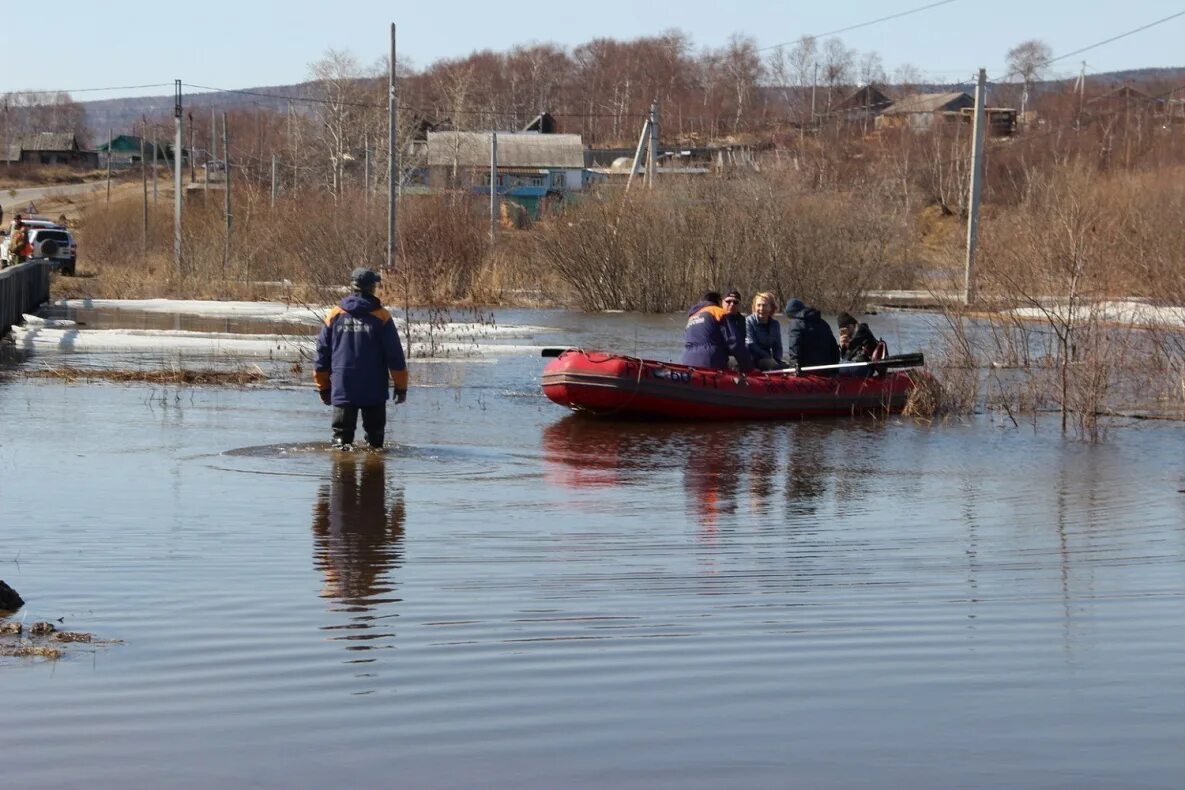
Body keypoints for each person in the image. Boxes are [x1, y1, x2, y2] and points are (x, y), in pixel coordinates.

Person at [314, 267, 408, 450]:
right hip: (374, 388)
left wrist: (323, 386)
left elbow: (322, 353)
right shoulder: (382, 316)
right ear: (373, 287)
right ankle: (374, 473)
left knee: (340, 442)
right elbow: (395, 355)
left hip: (343, 385)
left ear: (352, 287)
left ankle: (342, 474)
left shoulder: (335, 314)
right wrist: (401, 387)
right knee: (375, 443)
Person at [784, 298, 840, 371]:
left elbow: (795, 348)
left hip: (808, 369)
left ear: (791, 314)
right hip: (827, 369)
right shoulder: (823, 322)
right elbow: (834, 349)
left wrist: (793, 368)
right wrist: (835, 369)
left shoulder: (795, 324)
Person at [745, 292, 786, 370]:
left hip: (767, 358)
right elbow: (750, 345)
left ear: (771, 307)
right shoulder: (748, 321)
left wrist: (777, 359)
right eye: (758, 305)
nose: (761, 309)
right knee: (773, 365)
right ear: (754, 307)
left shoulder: (775, 324)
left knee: (786, 366)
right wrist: (769, 357)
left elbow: (778, 347)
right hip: (752, 358)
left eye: (764, 305)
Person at [720, 289, 754, 372]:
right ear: (722, 302)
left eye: (735, 302)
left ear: (739, 305)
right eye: (728, 301)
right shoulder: (716, 318)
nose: (732, 304)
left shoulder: (744, 321)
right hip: (721, 355)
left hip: (738, 354)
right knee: (736, 363)